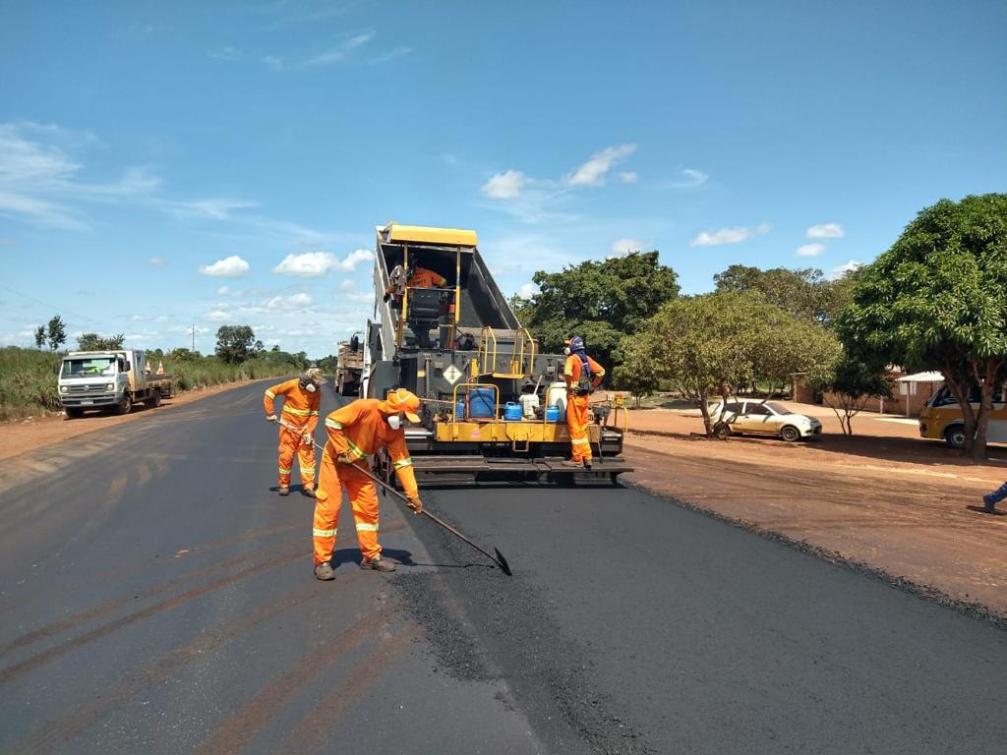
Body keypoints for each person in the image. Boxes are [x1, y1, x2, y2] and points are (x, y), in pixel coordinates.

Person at [311, 388, 425, 581]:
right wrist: (342, 451)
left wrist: (412, 494)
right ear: (395, 410)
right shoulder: (364, 407)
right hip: (334, 461)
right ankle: (322, 562)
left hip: (359, 465)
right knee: (329, 509)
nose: (405, 422)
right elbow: (331, 420)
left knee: (368, 509)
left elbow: (402, 461)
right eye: (404, 416)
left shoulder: (395, 432)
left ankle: (371, 557)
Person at [263, 368, 323, 497]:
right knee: (286, 456)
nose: (316, 388)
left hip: (305, 429)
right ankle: (284, 485)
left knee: (308, 457)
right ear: (305, 382)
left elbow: (314, 413)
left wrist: (309, 431)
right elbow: (269, 393)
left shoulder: (317, 392)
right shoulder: (291, 385)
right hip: (288, 427)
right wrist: (270, 413)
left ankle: (308, 486)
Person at [562, 336, 605, 469]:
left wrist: (570, 386)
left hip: (574, 399)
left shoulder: (571, 359)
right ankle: (587, 457)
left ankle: (576, 459)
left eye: (568, 345)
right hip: (585, 399)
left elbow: (567, 372)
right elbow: (601, 372)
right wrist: (593, 386)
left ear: (573, 347)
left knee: (575, 429)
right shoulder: (586, 359)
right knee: (582, 429)